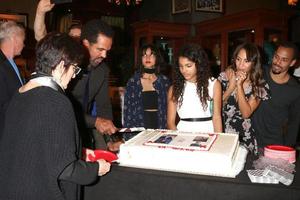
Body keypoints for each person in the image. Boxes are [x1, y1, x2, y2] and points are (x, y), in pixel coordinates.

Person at [0, 32, 111, 200]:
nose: (74, 76)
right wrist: (96, 169)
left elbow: (37, 148)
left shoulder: (19, 94)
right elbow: (65, 168)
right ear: (61, 66)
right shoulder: (56, 101)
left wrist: (79, 152)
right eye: (74, 68)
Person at [68, 19, 118, 149]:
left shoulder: (103, 71)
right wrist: (95, 121)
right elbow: (60, 107)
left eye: (107, 50)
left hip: (83, 132)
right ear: (85, 44)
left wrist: (110, 139)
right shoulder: (66, 66)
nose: (105, 55)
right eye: (100, 49)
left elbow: (104, 106)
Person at [218, 43, 270, 154]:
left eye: (246, 61)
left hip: (244, 136)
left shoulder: (259, 86)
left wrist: (239, 86)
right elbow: (213, 107)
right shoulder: (224, 77)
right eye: (238, 59)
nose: (241, 65)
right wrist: (230, 87)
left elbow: (246, 113)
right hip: (221, 131)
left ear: (254, 63)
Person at [252, 41, 300, 149]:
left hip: (273, 145)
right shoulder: (260, 72)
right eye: (276, 57)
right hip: (248, 139)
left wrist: (286, 149)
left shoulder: (295, 90)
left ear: (292, 63)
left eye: (284, 60)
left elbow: (294, 123)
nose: (277, 62)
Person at [167, 44, 222, 133]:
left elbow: (217, 118)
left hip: (208, 131)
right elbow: (170, 123)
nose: (184, 70)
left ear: (199, 64)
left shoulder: (214, 84)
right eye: (181, 66)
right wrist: (177, 139)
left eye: (188, 66)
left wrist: (219, 140)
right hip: (182, 133)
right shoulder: (174, 89)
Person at [123, 44, 170, 129]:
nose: (147, 58)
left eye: (151, 55)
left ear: (157, 58)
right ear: (140, 58)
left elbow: (170, 109)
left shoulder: (164, 81)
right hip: (139, 125)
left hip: (160, 125)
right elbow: (127, 111)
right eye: (144, 55)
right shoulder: (133, 82)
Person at [0, 21, 25, 138]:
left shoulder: (11, 62)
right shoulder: (2, 64)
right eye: (23, 41)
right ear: (14, 39)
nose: (24, 45)